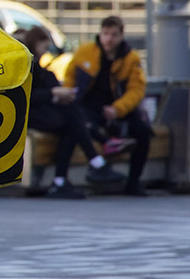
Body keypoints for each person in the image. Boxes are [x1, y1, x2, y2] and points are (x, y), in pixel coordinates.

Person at [21, 27, 124, 198]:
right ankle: (95, 160)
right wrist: (54, 94)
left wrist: (58, 94)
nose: (46, 52)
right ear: (36, 43)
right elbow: (26, 95)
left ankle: (61, 180)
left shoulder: (39, 66)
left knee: (71, 124)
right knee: (72, 116)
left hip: (39, 112)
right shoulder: (26, 64)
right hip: (28, 115)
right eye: (44, 48)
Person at [64, 15, 152, 196]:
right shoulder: (85, 52)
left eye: (113, 35)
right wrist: (68, 95)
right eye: (105, 34)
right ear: (100, 33)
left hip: (116, 109)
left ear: (121, 36)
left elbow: (136, 91)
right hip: (89, 108)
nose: (109, 39)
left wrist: (117, 109)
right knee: (79, 123)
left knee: (143, 131)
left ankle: (133, 181)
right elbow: (69, 77)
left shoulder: (131, 59)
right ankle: (101, 161)